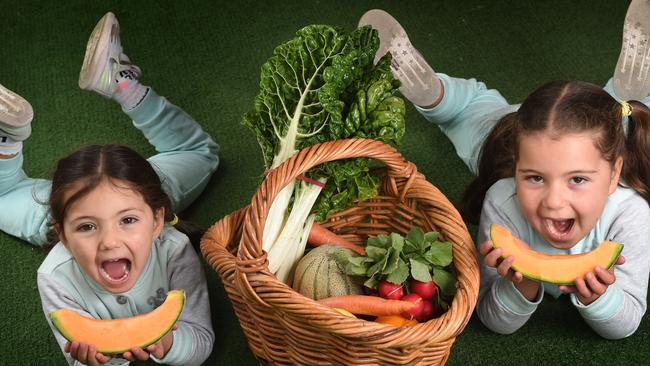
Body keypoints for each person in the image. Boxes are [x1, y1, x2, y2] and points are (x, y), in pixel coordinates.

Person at [359, 1, 650, 340]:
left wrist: (602, 298)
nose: (554, 202)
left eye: (577, 180)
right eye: (536, 178)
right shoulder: (503, 196)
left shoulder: (630, 214)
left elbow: (626, 323)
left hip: (589, 139)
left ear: (614, 176)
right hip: (512, 132)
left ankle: (626, 93)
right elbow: (491, 317)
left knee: (626, 121)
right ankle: (435, 93)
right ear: (518, 167)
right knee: (475, 120)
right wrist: (520, 285)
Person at [0, 11, 218, 365]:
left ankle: (120, 79)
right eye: (87, 228)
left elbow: (200, 339)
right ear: (65, 236)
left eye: (127, 223)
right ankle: (6, 140)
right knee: (5, 196)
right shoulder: (55, 276)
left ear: (158, 220)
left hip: (141, 188)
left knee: (201, 153)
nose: (110, 241)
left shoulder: (174, 250)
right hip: (78, 206)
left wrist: (171, 345)